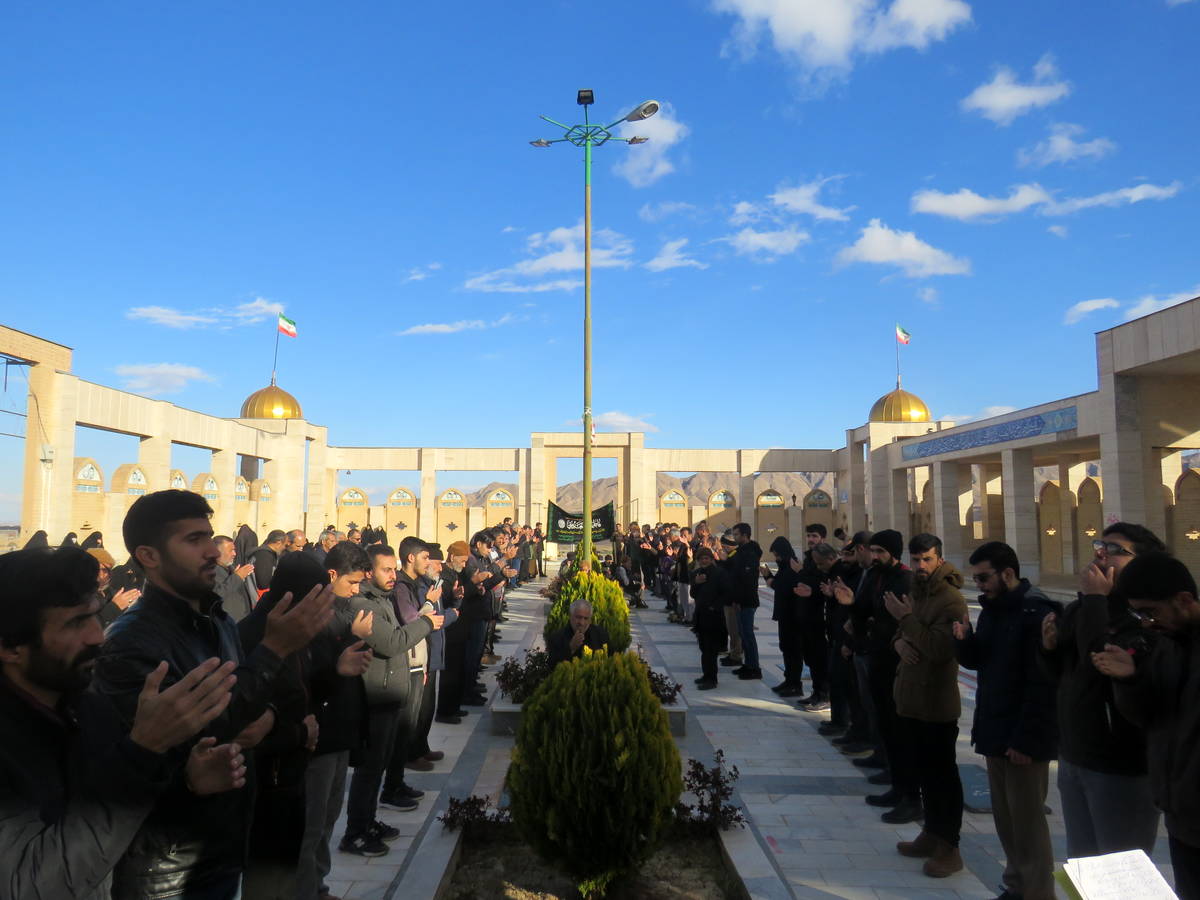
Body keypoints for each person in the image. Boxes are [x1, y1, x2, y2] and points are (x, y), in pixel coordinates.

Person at [93, 489, 334, 900]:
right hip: (168, 870)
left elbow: (241, 710)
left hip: (223, 843)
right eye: (193, 540)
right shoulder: (133, 643)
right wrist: (274, 650)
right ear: (148, 555)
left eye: (208, 536)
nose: (212, 552)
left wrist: (271, 716)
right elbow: (180, 744)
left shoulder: (214, 619)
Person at [0, 545, 243, 900]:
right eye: (75, 623)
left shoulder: (87, 708)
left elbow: (114, 834)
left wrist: (187, 785)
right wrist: (143, 751)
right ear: (10, 647)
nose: (97, 636)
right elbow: (31, 884)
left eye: (95, 616)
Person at [1040, 522, 1164, 860]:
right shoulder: (1082, 608)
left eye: (1115, 550)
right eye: (1100, 546)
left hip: (1119, 765)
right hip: (1076, 754)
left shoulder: (1146, 618)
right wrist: (1049, 649)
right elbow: (1066, 675)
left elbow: (1099, 662)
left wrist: (1096, 599)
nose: (1101, 555)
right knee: (1084, 865)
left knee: (1120, 867)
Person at [954, 541, 1059, 900]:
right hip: (995, 730)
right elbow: (981, 662)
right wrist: (964, 641)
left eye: (984, 578)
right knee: (1006, 819)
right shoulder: (994, 610)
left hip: (1022, 737)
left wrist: (1026, 740)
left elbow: (1043, 683)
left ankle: (1038, 892)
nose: (979, 585)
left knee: (1028, 824)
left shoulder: (1036, 613)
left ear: (1008, 573)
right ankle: (1016, 886)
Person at [1096, 552, 1200, 899]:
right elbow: (1148, 716)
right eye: (1139, 614)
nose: (1146, 623)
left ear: (1184, 600)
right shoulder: (1169, 646)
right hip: (1181, 816)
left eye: (1150, 612)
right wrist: (1130, 679)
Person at [342, 540, 442, 854]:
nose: (393, 575)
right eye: (386, 570)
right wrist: (426, 622)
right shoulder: (365, 605)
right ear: (368, 572)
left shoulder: (382, 600)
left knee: (380, 764)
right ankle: (355, 832)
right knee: (370, 768)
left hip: (389, 693)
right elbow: (392, 643)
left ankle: (369, 821)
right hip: (376, 696)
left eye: (394, 570)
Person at [884, 533, 968, 877]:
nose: (920, 565)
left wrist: (904, 621)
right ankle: (931, 834)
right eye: (916, 559)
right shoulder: (918, 592)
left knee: (942, 776)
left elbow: (938, 648)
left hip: (935, 701)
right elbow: (904, 633)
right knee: (925, 774)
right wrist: (898, 643)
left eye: (927, 559)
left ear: (939, 559)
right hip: (911, 697)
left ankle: (949, 846)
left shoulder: (950, 600)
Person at [296, 540, 375, 900]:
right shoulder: (313, 618)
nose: (356, 590)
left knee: (329, 817)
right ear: (332, 574)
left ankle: (319, 885)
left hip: (342, 731)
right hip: (321, 736)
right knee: (312, 824)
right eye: (352, 582)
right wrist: (352, 638)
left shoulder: (341, 611)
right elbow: (314, 673)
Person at [795, 542, 836, 711]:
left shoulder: (835, 573)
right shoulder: (814, 567)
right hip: (811, 620)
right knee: (812, 659)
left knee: (822, 660)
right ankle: (817, 692)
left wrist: (814, 591)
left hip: (823, 623)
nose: (818, 567)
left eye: (820, 563)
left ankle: (825, 695)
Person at [762, 537, 804, 695]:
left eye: (777, 555)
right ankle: (789, 680)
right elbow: (780, 583)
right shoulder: (785, 566)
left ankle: (795, 684)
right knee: (786, 647)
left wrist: (770, 580)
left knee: (793, 650)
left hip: (793, 615)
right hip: (785, 614)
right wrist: (768, 576)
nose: (776, 558)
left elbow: (785, 587)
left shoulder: (793, 565)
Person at [690, 547, 730, 689]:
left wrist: (715, 607)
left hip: (714, 617)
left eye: (706, 558)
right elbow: (693, 594)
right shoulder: (696, 574)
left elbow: (726, 593)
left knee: (711, 649)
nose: (704, 561)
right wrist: (697, 583)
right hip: (701, 615)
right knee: (703, 647)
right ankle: (706, 675)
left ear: (711, 559)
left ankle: (712, 679)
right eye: (701, 559)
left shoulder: (719, 573)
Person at [728, 523, 763, 680]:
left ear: (744, 535)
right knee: (743, 633)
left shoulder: (750, 553)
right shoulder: (740, 551)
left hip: (747, 601)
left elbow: (747, 580)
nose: (734, 537)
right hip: (740, 600)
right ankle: (748, 664)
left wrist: (739, 599)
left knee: (748, 635)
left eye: (736, 534)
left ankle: (754, 668)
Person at [547, 600, 611, 664]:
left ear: (590, 620)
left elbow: (611, 660)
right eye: (578, 617)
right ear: (570, 616)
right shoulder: (556, 638)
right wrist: (571, 648)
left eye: (586, 618)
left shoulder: (601, 635)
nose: (582, 623)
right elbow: (552, 665)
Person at [212, 534, 257, 622]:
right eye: (231, 550)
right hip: (227, 623)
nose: (234, 554)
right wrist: (237, 577)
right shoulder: (209, 571)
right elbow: (216, 595)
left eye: (234, 550)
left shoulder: (230, 567)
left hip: (241, 620)